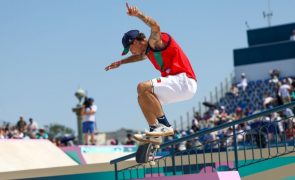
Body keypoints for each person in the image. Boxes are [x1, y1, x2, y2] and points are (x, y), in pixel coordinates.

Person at [105, 3, 197, 144]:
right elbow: (139, 57)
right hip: (179, 87)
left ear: (136, 42)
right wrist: (121, 62)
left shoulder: (155, 42)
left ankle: (165, 125)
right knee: (142, 97)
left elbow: (156, 27)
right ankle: (154, 131)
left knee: (142, 86)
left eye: (130, 48)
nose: (131, 52)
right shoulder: (147, 52)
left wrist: (139, 15)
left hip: (184, 80)